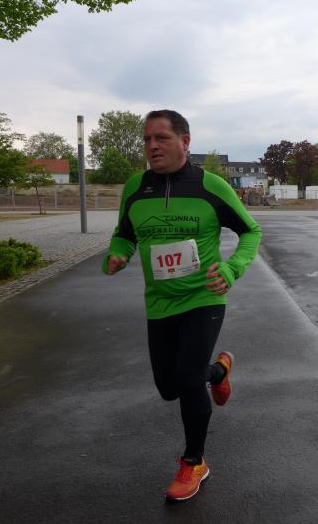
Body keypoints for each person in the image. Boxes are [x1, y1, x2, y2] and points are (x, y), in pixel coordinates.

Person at [103, 109, 262, 502]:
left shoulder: (211, 186)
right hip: (160, 302)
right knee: (168, 387)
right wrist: (117, 253)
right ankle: (218, 371)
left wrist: (232, 268)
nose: (152, 146)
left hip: (204, 297)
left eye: (162, 138)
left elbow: (250, 231)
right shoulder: (136, 188)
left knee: (188, 379)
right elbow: (124, 234)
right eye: (147, 139)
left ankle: (194, 461)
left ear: (185, 141)